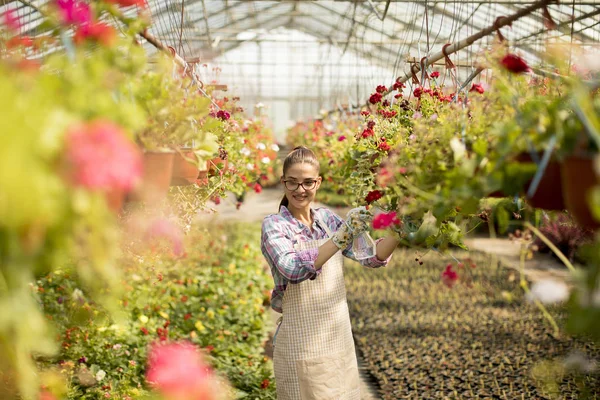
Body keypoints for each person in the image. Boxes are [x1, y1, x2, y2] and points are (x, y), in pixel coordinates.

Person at [260, 146, 399, 400]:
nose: (300, 190)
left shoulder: (328, 220)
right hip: (299, 345)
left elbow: (372, 258)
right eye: (293, 182)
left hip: (336, 343)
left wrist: (400, 227)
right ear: (283, 182)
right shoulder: (275, 226)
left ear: (318, 182)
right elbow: (292, 270)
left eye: (308, 182)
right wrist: (340, 237)